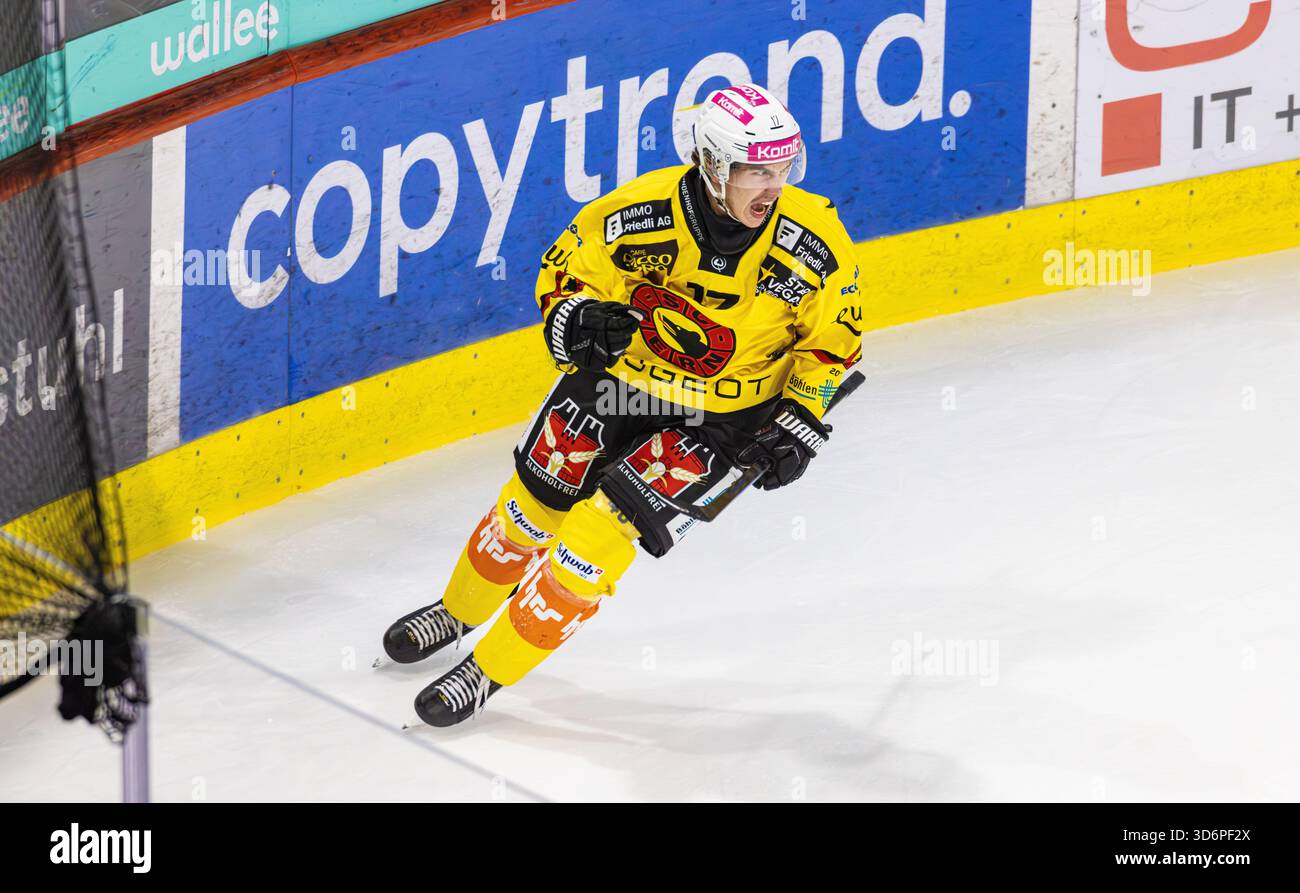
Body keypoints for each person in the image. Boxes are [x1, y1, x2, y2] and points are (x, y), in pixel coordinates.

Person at [381, 82, 863, 727]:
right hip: (620, 385)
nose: (772, 185)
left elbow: (834, 350)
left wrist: (801, 419)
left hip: (723, 418)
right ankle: (459, 612)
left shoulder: (816, 241)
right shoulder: (635, 213)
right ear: (714, 166)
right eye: (755, 169)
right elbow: (561, 278)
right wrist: (578, 320)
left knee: (597, 539)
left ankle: (487, 670)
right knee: (530, 509)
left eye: (783, 167)